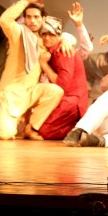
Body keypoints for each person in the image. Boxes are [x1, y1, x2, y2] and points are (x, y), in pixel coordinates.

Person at [0, 0, 70, 140]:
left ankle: (30, 128)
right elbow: (4, 20)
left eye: (36, 17)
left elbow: (64, 36)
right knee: (5, 135)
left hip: (30, 94)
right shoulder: (19, 34)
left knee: (56, 91)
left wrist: (67, 39)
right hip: (11, 95)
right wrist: (26, 0)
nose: (32, 21)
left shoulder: (45, 39)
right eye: (28, 17)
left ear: (43, 19)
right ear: (24, 19)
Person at [34, 9, 91, 141]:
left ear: (58, 35)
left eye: (51, 34)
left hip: (72, 100)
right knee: (36, 123)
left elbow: (62, 85)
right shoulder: (50, 50)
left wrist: (44, 64)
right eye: (44, 34)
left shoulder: (63, 50)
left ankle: (80, 129)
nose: (47, 38)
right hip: (63, 99)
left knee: (43, 131)